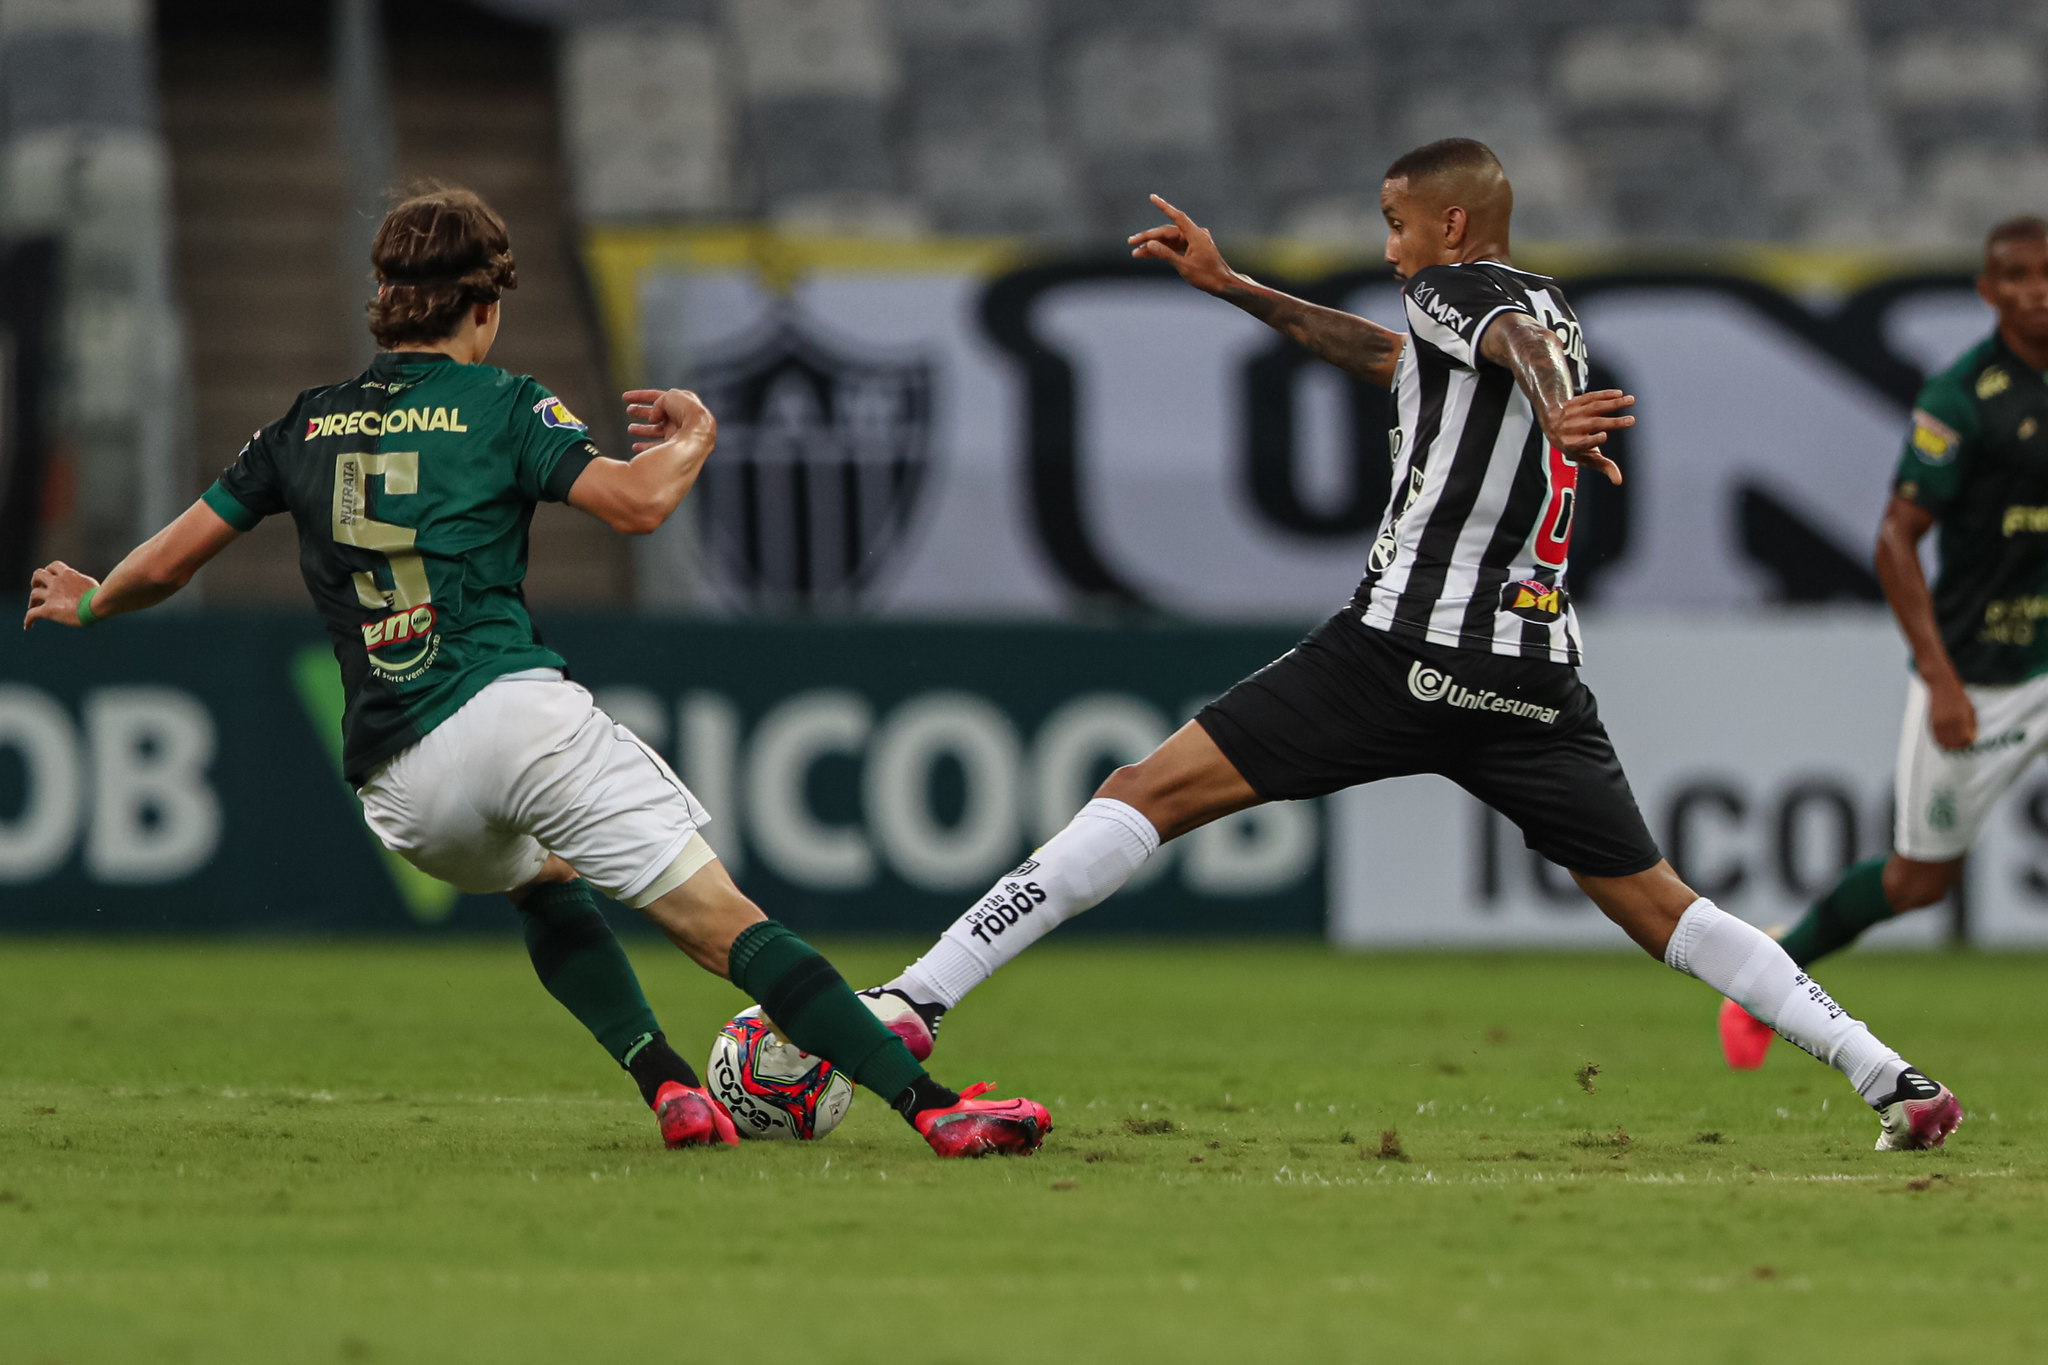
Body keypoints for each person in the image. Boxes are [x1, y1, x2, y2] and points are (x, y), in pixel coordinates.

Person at [860, 139, 1961, 1152]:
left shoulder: (1466, 297)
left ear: (1447, 228)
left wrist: (1550, 398)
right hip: (1533, 673)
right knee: (1666, 909)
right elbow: (1402, 360)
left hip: (1401, 651)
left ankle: (916, 999)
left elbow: (1500, 343)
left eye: (1394, 225)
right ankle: (1894, 1081)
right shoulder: (1547, 308)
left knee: (1144, 792)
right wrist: (1234, 286)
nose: (1385, 250)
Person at [22, 185, 1047, 1158]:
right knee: (721, 925)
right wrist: (694, 439)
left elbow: (171, 558)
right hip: (510, 711)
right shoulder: (502, 404)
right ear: (481, 305)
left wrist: (94, 598)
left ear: (384, 299)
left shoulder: (303, 424)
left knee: (544, 882)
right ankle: (935, 1110)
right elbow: (636, 504)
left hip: (400, 788)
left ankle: (668, 1086)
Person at [1718, 215, 2048, 1070]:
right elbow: (1895, 540)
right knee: (1917, 880)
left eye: (2047, 273)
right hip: (1982, 674)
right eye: (2016, 276)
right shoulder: (1961, 399)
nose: (2036, 289)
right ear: (1988, 292)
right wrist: (1940, 679)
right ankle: (1769, 972)